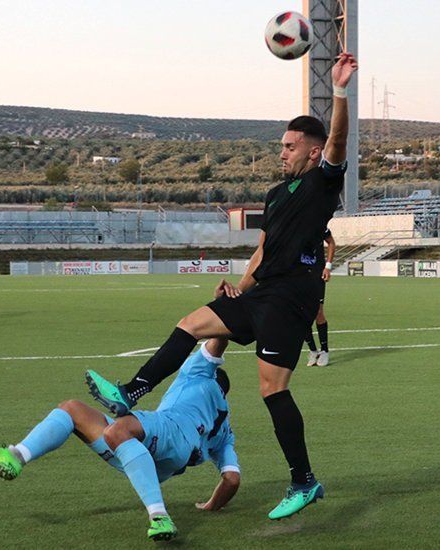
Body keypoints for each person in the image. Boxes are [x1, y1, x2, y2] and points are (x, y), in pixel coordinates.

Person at [86, 52, 357, 521]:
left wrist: (338, 90)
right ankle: (131, 392)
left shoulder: (323, 182)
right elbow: (263, 251)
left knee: (272, 390)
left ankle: (303, 481)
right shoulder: (275, 195)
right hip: (262, 291)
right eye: (283, 145)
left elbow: (338, 137)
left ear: (312, 151)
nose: (283, 152)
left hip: (292, 299)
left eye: (290, 146)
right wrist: (241, 286)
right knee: (193, 322)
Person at [0, 338, 239, 542]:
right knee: (73, 409)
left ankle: (159, 515)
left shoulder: (200, 375)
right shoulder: (225, 430)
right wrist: (211, 506)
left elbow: (217, 342)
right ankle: (16, 456)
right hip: (153, 466)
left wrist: (224, 308)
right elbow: (231, 480)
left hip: (169, 428)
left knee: (118, 429)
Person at [305, 228, 335, 367]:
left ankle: (324, 351)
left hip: (316, 274)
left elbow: (331, 242)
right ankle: (313, 350)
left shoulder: (319, 222)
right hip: (299, 275)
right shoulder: (292, 222)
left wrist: (327, 267)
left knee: (318, 313)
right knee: (301, 315)